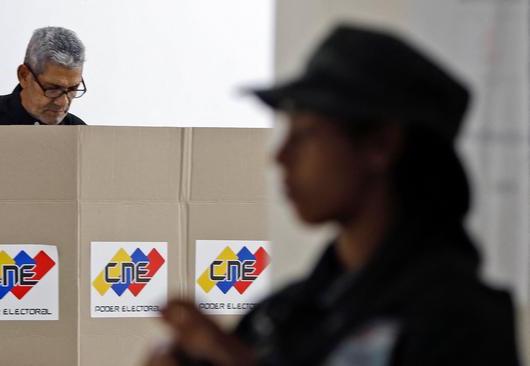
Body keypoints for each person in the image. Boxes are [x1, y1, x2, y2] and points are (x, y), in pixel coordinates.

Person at [146, 24, 520, 365]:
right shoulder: (283, 315)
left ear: (380, 146)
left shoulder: (463, 323)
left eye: (306, 134)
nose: (279, 156)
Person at [0, 26, 87, 125]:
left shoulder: (80, 134)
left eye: (73, 89)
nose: (63, 102)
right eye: (52, 88)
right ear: (24, 75)